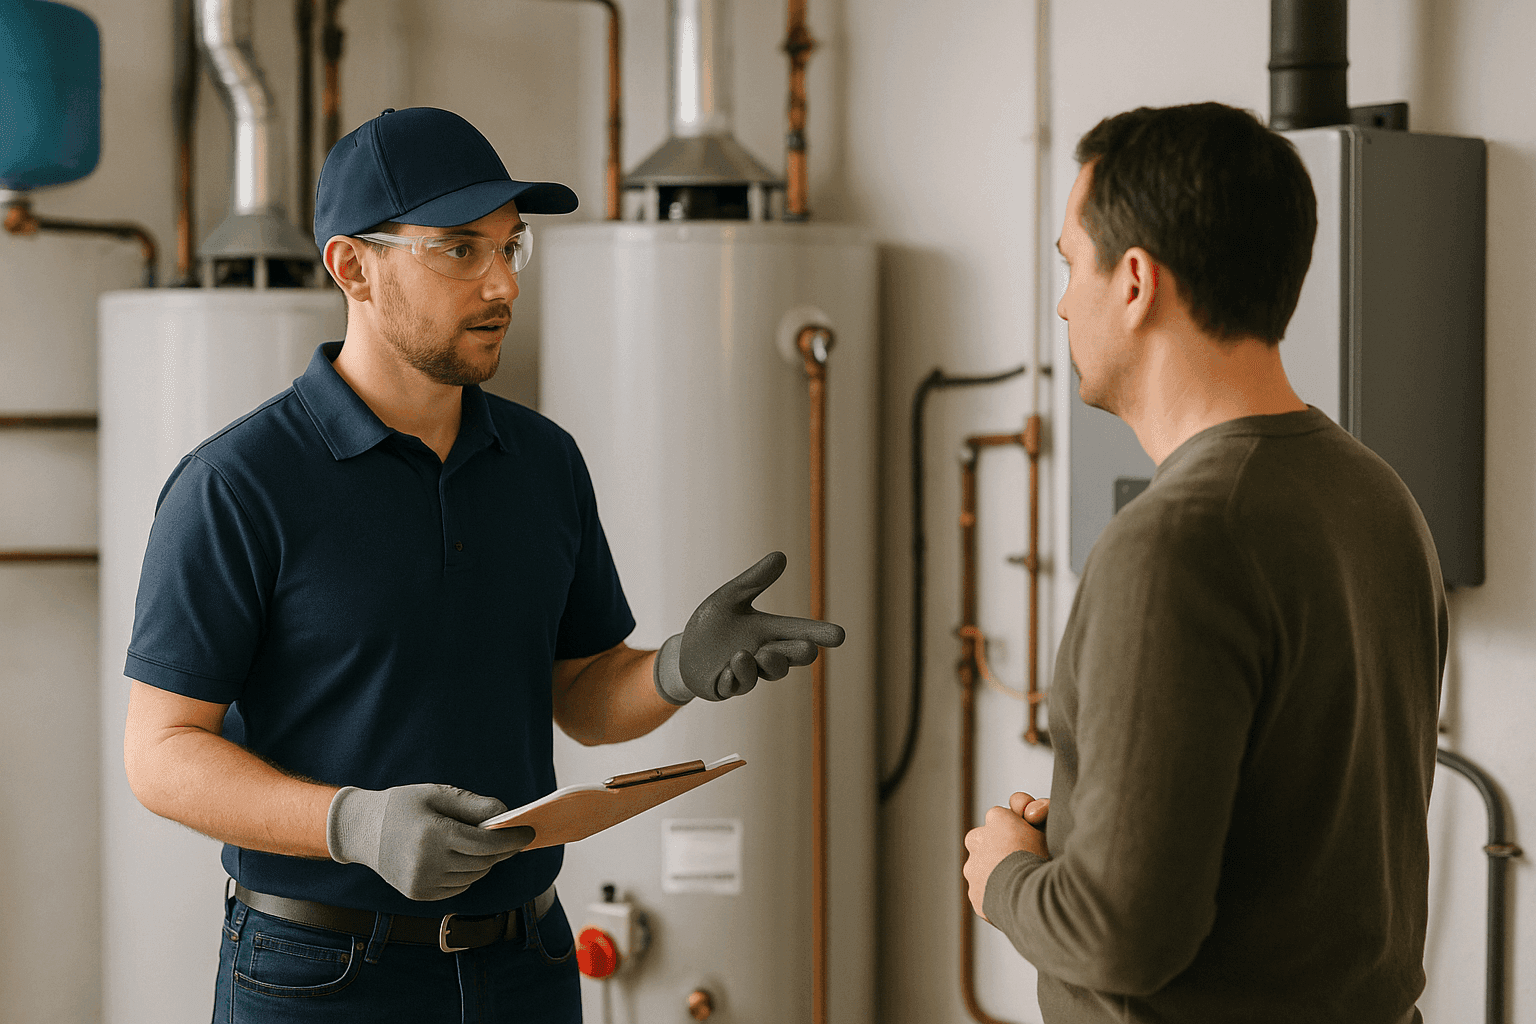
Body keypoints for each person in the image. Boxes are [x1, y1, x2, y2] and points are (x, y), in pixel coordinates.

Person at [121, 106, 844, 1023]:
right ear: (353, 267)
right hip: (319, 976)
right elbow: (161, 754)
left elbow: (581, 697)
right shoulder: (237, 483)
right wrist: (354, 824)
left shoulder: (543, 462)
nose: (502, 281)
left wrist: (675, 668)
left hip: (525, 963)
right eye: (461, 250)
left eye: (511, 246)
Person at [962, 102, 1446, 1024]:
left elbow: (1122, 937)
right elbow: (1289, 836)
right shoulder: (1378, 496)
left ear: (1135, 282)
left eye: (1071, 264)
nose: (1063, 302)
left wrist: (1007, 876)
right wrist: (1094, 835)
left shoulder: (1173, 544)